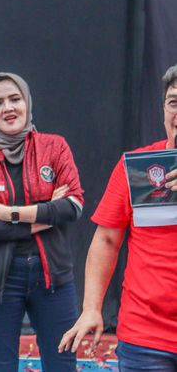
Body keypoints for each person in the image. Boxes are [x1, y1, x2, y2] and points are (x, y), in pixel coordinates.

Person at [0, 72, 84, 371]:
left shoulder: (54, 147)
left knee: (62, 365)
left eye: (15, 99)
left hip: (53, 277)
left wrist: (8, 213)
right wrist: (45, 214)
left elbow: (74, 205)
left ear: (27, 102)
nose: (8, 108)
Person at [59, 65, 177, 369]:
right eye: (174, 102)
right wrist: (91, 308)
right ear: (163, 110)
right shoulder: (138, 168)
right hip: (146, 338)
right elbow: (107, 239)